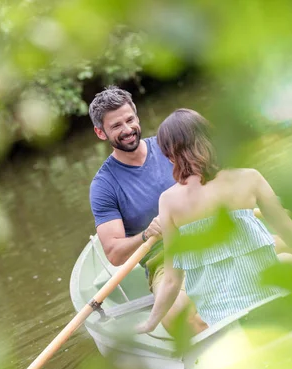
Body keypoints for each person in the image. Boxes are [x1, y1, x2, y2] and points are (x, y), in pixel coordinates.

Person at [136, 108, 292, 333]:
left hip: (221, 318)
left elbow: (172, 280)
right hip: (271, 300)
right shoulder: (250, 177)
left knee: (284, 259)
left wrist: (150, 323)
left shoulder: (168, 201)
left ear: (171, 155)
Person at [88, 87, 208, 336]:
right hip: (164, 260)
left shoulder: (170, 147)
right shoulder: (104, 185)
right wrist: (145, 235)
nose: (127, 129)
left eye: (130, 119)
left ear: (137, 115)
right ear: (100, 132)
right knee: (177, 315)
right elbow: (114, 254)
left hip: (208, 236)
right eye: (116, 126)